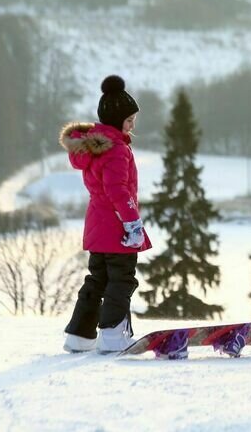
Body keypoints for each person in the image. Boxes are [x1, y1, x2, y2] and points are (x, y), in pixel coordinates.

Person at [60, 75, 152, 354]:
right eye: (129, 120)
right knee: (121, 279)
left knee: (97, 279)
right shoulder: (117, 151)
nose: (132, 125)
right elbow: (118, 191)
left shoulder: (96, 148)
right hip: (117, 229)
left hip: (97, 226)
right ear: (115, 121)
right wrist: (133, 224)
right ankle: (113, 334)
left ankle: (79, 335)